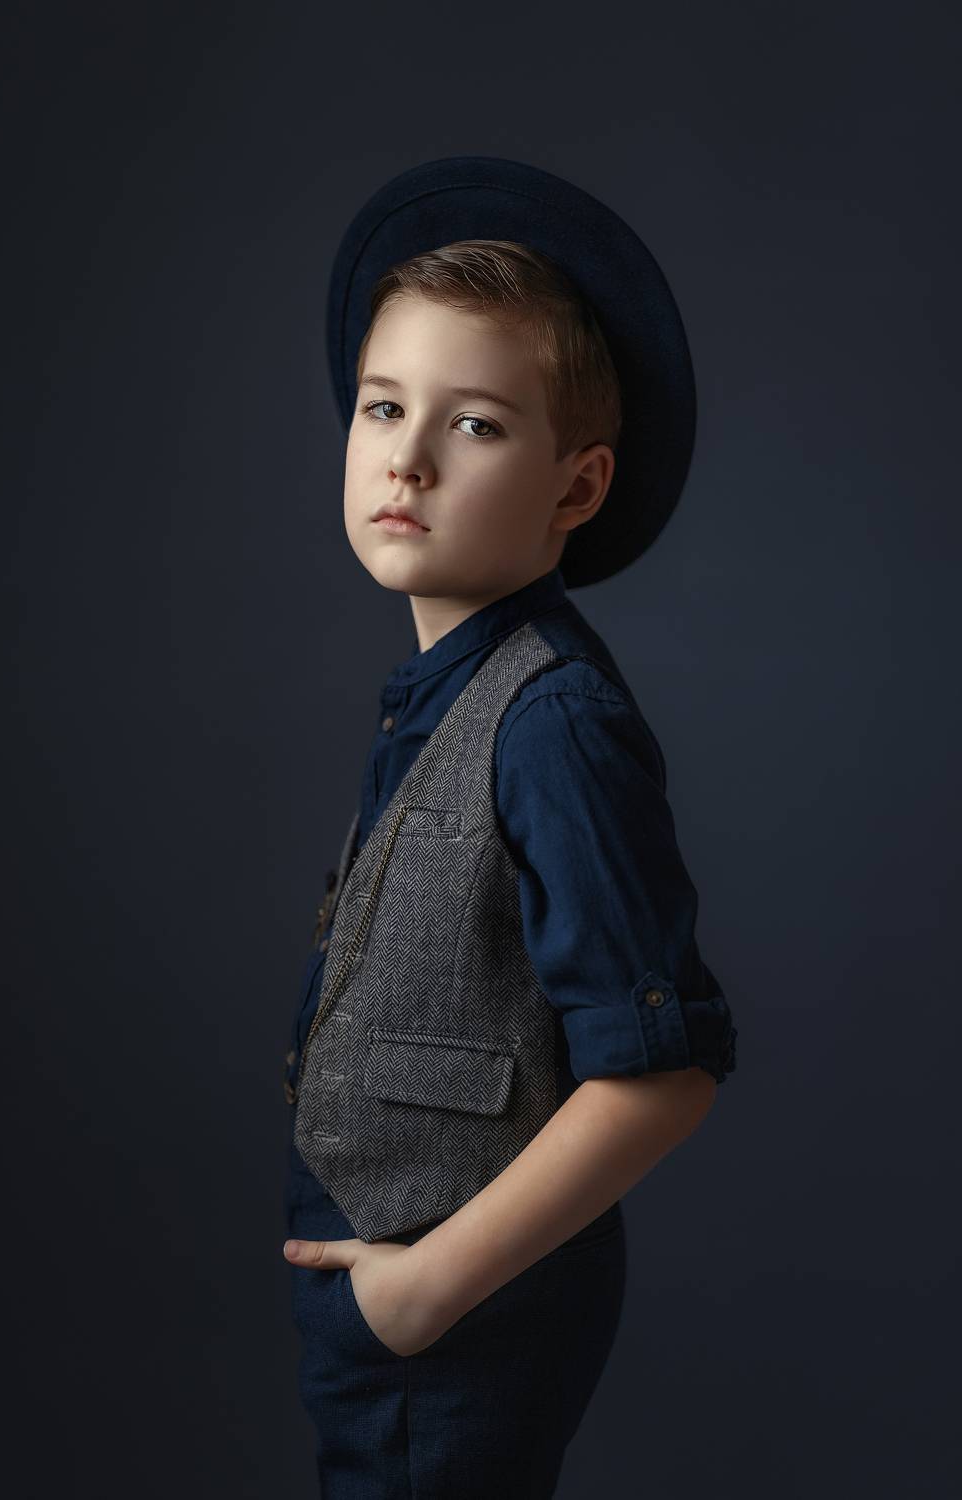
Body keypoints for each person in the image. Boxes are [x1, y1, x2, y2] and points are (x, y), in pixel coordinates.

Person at [279, 156, 738, 1499]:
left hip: (457, 1322)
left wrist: (424, 1292)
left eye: (475, 424)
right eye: (383, 406)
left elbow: (662, 1073)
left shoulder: (551, 721)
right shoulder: (444, 693)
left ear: (576, 489)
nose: (407, 457)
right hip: (403, 1320)